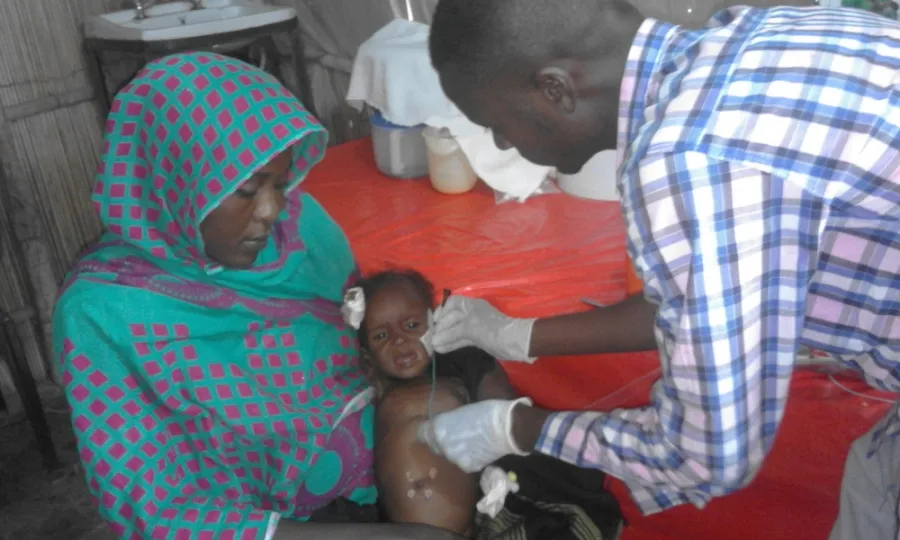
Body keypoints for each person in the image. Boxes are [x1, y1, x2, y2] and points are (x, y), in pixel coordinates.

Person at [417, 2, 900, 539]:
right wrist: (515, 336)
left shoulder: (692, 162)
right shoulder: (762, 29)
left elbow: (708, 453)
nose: (503, 144)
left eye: (495, 124)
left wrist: (516, 427)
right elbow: (698, 304)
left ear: (554, 90)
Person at [53, 52, 464, 540]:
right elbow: (155, 508)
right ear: (177, 184)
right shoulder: (103, 313)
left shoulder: (301, 226)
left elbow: (365, 348)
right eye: (247, 189)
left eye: (281, 183)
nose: (271, 210)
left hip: (367, 466)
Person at [350, 269, 623, 539]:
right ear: (367, 355)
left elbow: (507, 409)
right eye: (381, 337)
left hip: (474, 524)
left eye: (411, 326)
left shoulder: (462, 363)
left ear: (434, 320)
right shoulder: (376, 385)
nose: (399, 340)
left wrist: (501, 469)